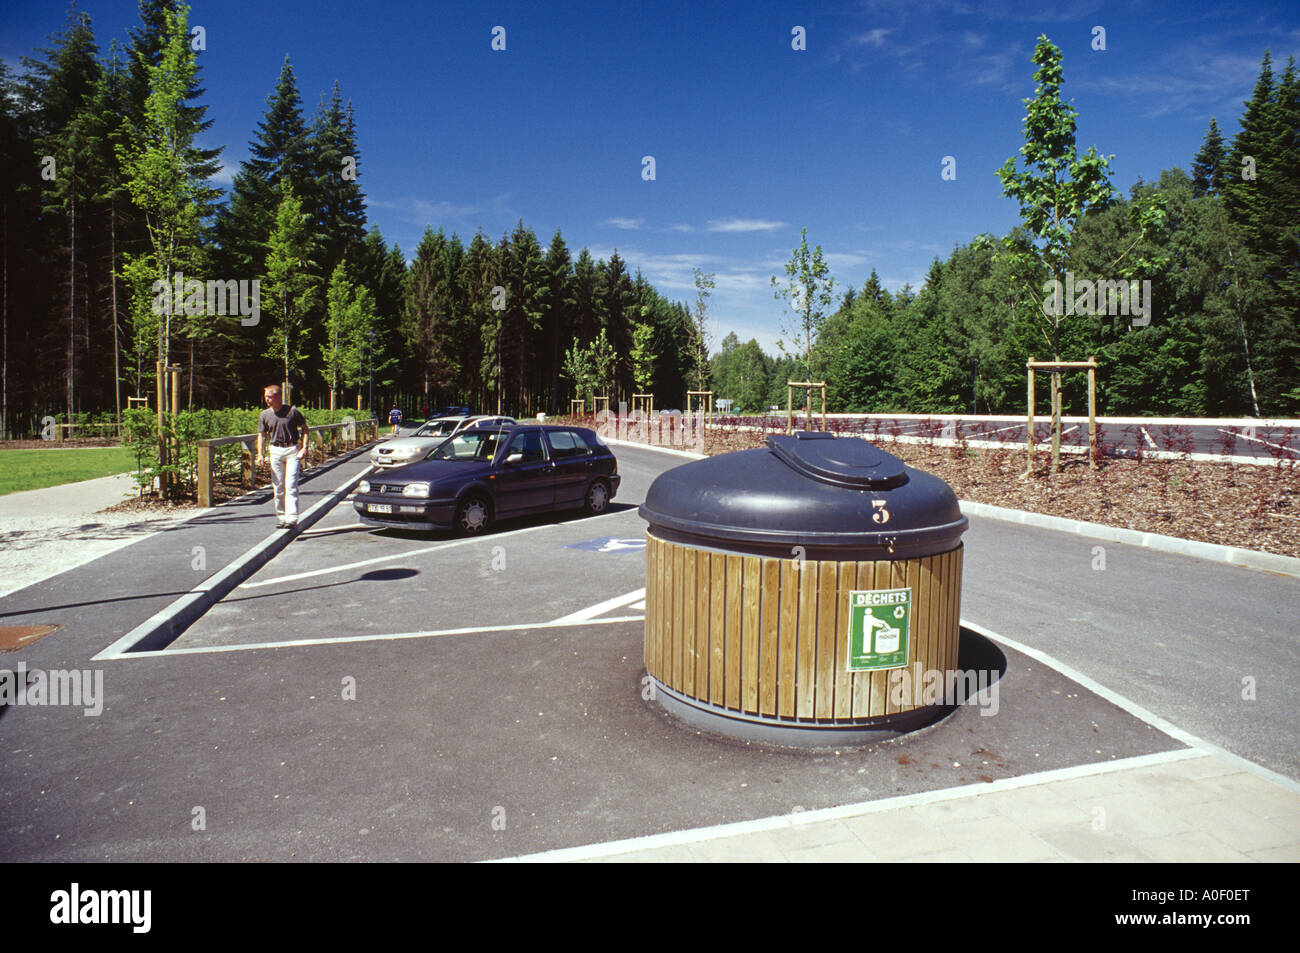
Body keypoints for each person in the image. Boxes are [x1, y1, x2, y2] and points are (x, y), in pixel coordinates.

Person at [255, 385, 309, 528]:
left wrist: (304, 448)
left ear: (279, 397)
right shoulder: (265, 414)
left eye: (270, 397)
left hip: (292, 450)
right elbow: (262, 435)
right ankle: (282, 516)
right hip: (275, 450)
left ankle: (292, 518)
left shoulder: (292, 412)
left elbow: (305, 429)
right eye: (266, 397)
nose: (267, 400)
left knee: (291, 485)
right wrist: (260, 454)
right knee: (278, 486)